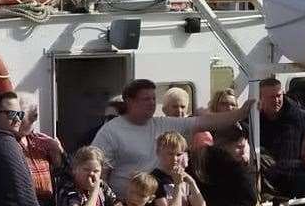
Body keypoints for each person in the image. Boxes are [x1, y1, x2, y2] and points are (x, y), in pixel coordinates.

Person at [92, 78, 251, 198]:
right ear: (129, 101)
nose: (152, 103)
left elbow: (205, 122)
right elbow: (100, 174)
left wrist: (241, 113)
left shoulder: (163, 124)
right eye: (146, 99)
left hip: (160, 204)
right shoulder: (111, 132)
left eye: (154, 98)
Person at [255, 75, 305, 188]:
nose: (276, 100)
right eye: (271, 97)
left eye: (279, 96)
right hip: (265, 183)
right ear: (260, 98)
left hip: (296, 180)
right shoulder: (252, 120)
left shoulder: (301, 118)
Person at [149, 131, 207, 206]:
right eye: (170, 154)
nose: (175, 159)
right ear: (158, 153)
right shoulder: (154, 179)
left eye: (179, 154)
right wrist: (177, 184)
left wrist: (192, 182)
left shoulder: (185, 178)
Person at [199, 127, 258, 206]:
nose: (242, 152)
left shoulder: (201, 163)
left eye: (244, 147)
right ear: (224, 146)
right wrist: (243, 169)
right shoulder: (234, 169)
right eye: (238, 147)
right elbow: (251, 198)